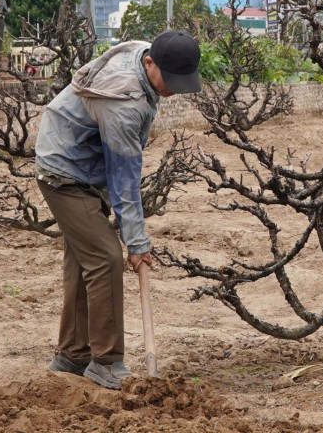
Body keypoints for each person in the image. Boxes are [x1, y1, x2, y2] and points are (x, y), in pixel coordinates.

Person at [34, 30, 202, 390]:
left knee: (83, 260)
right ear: (149, 63)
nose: (173, 89)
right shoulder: (124, 106)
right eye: (170, 80)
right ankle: (106, 361)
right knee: (106, 257)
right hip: (63, 170)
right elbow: (124, 182)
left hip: (81, 161)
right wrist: (137, 244)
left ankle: (73, 354)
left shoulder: (145, 55)